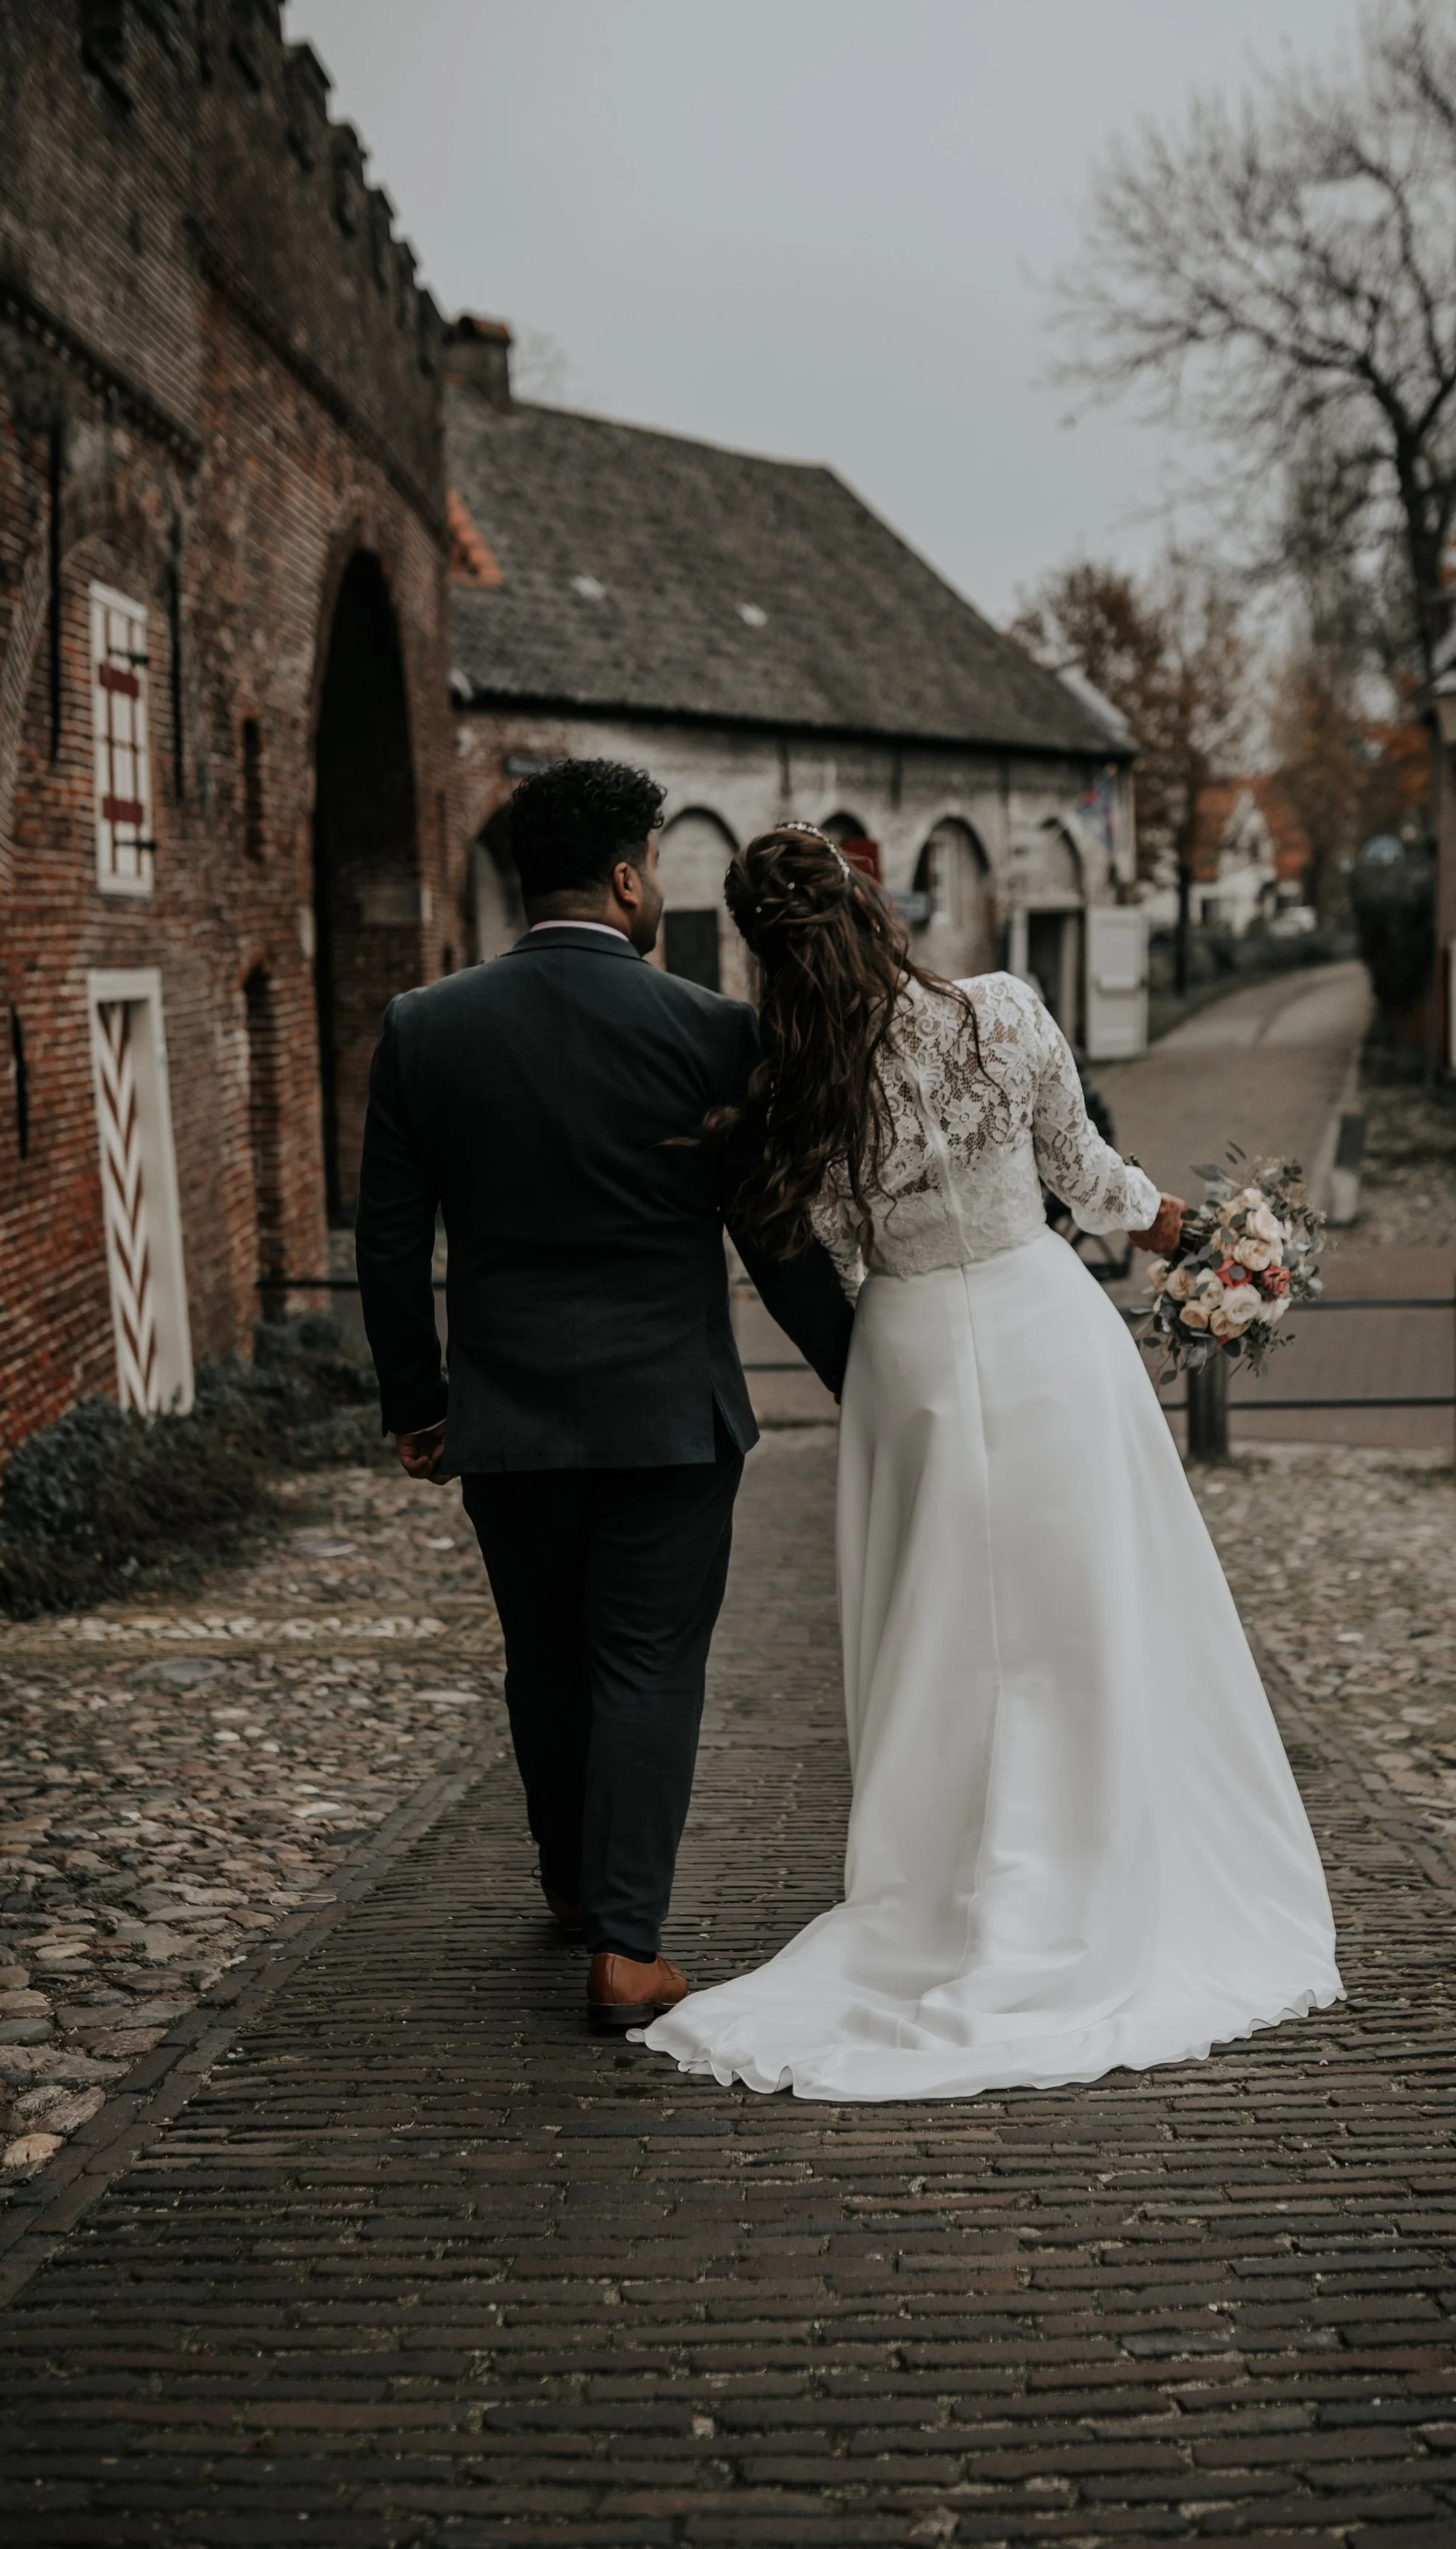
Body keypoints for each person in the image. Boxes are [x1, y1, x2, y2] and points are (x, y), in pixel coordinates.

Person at [634, 825, 1342, 2101]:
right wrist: (1209, 1236)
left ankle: (942, 1895)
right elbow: (1085, 1176)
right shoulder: (1002, 1015)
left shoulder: (793, 1091)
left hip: (908, 1358)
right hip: (1045, 1332)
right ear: (877, 906)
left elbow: (835, 1257)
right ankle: (1105, 1866)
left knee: (942, 1634)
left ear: (765, 953)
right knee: (1090, 1617)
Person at [354, 765, 855, 2034]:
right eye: (658, 867)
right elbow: (777, 1241)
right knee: (645, 1664)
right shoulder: (707, 1031)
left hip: (508, 1423)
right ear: (629, 875)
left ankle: (575, 1888)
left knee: (548, 1659)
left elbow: (387, 1241)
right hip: (670, 1423)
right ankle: (628, 1945)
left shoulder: (426, 1028)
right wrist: (867, 1375)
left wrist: (421, 1400)